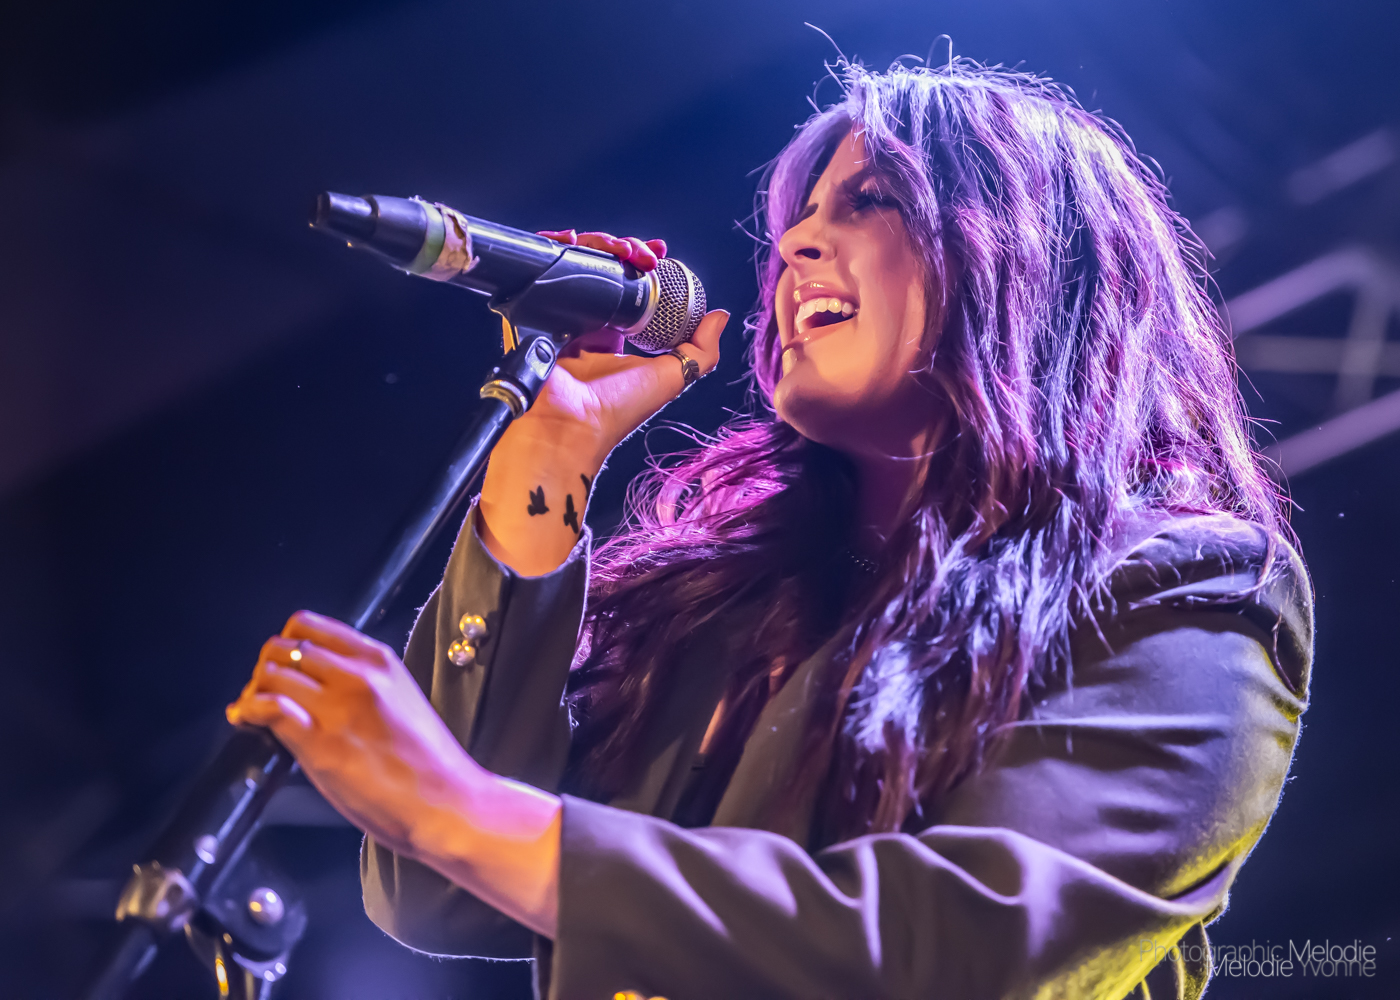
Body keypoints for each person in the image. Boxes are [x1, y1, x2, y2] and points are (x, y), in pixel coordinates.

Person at [227, 59, 1313, 1000]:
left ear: (1027, 258)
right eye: (800, 215)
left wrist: (456, 807)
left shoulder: (1186, 590)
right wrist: (548, 454)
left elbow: (954, 952)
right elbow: (434, 890)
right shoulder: (735, 611)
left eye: (871, 200)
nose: (794, 240)